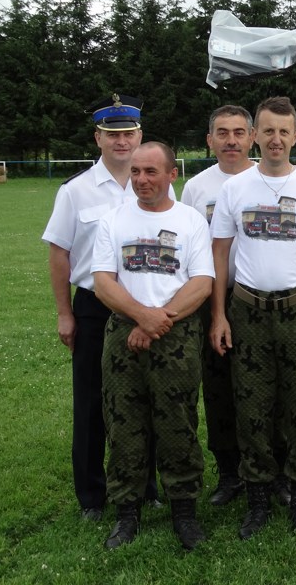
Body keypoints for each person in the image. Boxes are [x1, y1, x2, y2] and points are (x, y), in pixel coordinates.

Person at [209, 96, 296, 540]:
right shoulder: (235, 189)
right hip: (247, 311)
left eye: (284, 132)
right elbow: (219, 253)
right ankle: (258, 501)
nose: (276, 139)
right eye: (267, 131)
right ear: (255, 136)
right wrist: (218, 315)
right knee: (251, 409)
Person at [41, 94, 159, 520]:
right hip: (94, 308)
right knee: (92, 403)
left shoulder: (154, 185)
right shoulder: (76, 191)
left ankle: (145, 486)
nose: (121, 142)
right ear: (98, 139)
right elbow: (59, 254)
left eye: (128, 133)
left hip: (143, 304)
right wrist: (64, 314)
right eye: (112, 135)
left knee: (144, 399)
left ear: (140, 135)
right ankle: (92, 496)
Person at [92, 142, 214, 551]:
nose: (142, 180)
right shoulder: (113, 220)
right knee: (123, 423)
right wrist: (142, 316)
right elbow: (103, 282)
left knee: (178, 422)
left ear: (171, 175)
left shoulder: (190, 221)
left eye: (151, 172)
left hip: (176, 334)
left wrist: (157, 319)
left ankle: (184, 512)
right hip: (124, 334)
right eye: (136, 172)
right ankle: (127, 513)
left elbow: (202, 283)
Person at [180, 105, 255, 506]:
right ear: (209, 141)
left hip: (258, 294)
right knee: (219, 386)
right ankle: (229, 473)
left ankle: (268, 468)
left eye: (239, 132)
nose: (231, 140)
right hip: (214, 296)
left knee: (263, 385)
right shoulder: (196, 188)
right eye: (222, 133)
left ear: (252, 138)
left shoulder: (267, 179)